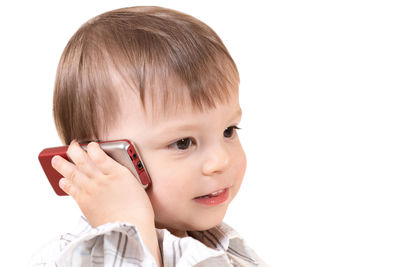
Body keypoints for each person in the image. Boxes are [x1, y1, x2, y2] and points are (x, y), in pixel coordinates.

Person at [30, 6, 268, 267]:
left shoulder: (224, 247)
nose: (221, 160)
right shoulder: (78, 257)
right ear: (99, 158)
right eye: (182, 143)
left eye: (228, 131)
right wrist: (131, 226)